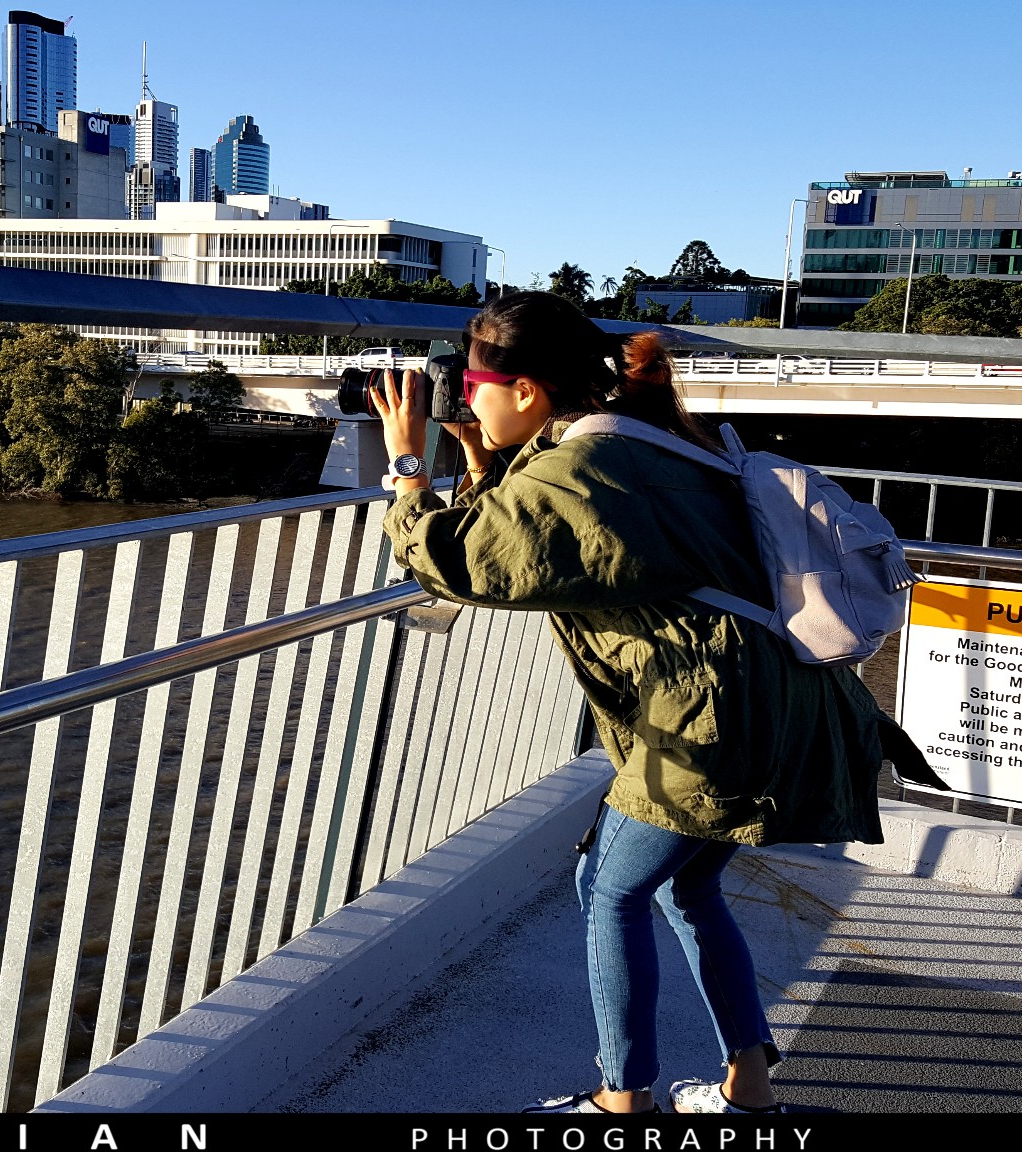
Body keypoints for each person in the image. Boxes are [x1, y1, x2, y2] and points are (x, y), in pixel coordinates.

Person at [372, 292, 894, 1115]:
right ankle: (747, 1090)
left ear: (528, 391)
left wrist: (406, 468)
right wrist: (478, 461)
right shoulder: (644, 440)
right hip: (790, 703)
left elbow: (465, 562)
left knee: (607, 890)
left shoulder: (583, 470)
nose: (462, 400)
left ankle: (624, 1101)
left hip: (714, 724)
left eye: (471, 385)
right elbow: (539, 525)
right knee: (689, 890)